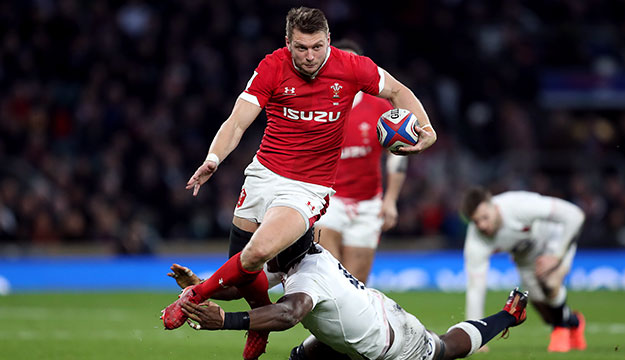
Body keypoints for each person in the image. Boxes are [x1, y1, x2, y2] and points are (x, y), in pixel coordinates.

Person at [161, 6, 437, 359]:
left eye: (317, 47)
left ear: (329, 41)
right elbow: (238, 120)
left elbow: (398, 91)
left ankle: (191, 299)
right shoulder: (271, 66)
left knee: (258, 252)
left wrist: (427, 131)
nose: (310, 57)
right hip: (263, 173)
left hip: (308, 187)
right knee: (243, 274)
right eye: (301, 48)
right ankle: (259, 333)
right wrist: (213, 159)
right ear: (288, 42)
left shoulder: (353, 67)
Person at [168, 232, 529, 360]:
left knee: (446, 349)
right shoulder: (292, 257)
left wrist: (225, 322)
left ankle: (509, 315)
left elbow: (288, 314)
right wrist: (202, 286)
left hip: (392, 344)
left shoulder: (309, 276)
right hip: (352, 330)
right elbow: (247, 286)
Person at [313, 39, 407, 283]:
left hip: (368, 206)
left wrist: (391, 200)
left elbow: (396, 154)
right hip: (328, 201)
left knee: (355, 285)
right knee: (330, 277)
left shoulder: (379, 107)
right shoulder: (315, 107)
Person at [460, 187, 587, 353]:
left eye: (485, 217)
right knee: (547, 313)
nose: (482, 225)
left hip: (554, 241)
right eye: (476, 221)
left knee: (550, 283)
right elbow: (475, 287)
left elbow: (575, 215)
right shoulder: (476, 240)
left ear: (494, 206)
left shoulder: (519, 207)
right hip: (526, 259)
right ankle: (574, 322)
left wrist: (557, 256)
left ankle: (560, 331)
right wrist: (477, 337)